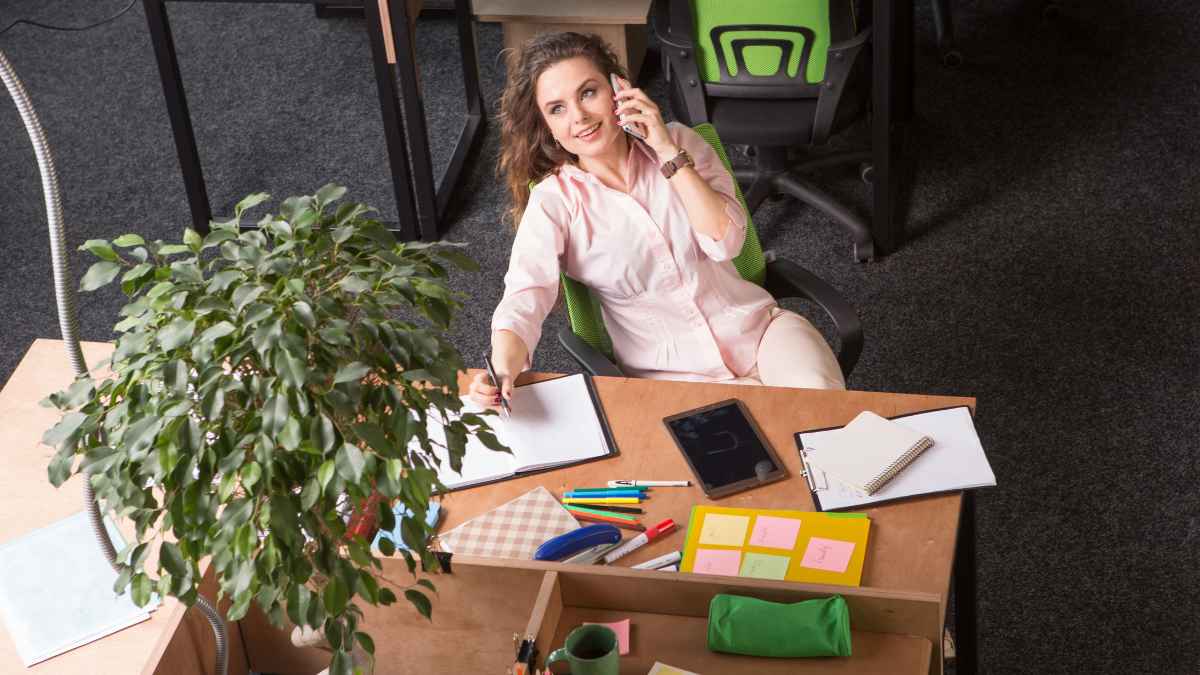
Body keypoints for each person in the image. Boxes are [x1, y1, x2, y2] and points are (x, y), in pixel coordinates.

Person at [469, 32, 845, 412]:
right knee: (743, 462)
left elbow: (726, 242)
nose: (579, 117)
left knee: (827, 418)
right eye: (557, 109)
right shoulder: (555, 202)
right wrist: (501, 369)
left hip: (761, 335)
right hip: (671, 378)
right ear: (546, 125)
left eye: (587, 92)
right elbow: (523, 299)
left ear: (620, 90)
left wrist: (667, 152)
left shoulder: (683, 143)